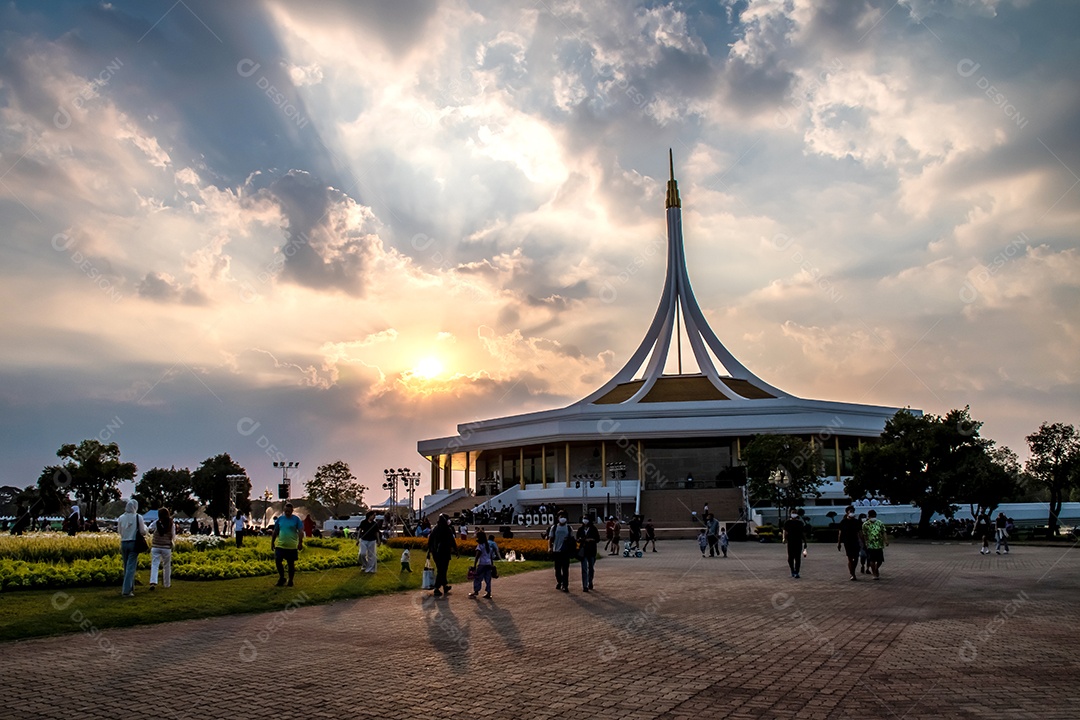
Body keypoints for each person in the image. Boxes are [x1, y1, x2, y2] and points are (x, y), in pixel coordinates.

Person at [117, 498, 147, 597]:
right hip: (134, 542)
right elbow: (142, 531)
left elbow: (119, 531)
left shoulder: (121, 517)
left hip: (124, 542)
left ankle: (130, 587)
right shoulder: (138, 517)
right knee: (131, 567)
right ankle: (126, 591)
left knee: (126, 566)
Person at [271, 502, 304, 587]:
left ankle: (290, 580)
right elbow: (275, 531)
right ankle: (282, 578)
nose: (287, 512)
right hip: (281, 545)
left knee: (291, 564)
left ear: (292, 511)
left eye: (289, 511)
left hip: (291, 546)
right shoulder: (280, 519)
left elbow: (301, 531)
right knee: (278, 561)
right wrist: (272, 542)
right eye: (285, 511)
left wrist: (300, 542)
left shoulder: (296, 519)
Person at [427, 514, 457, 597]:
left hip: (435, 553)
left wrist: (429, 551)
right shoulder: (447, 529)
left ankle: (444, 586)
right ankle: (437, 588)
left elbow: (430, 541)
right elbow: (452, 541)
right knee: (442, 570)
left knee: (441, 569)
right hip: (444, 552)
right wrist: (456, 550)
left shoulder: (435, 529)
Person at [149, 507, 176, 590]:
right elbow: (173, 535)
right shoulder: (171, 524)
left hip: (156, 546)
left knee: (155, 564)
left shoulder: (156, 523)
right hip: (166, 547)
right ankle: (167, 584)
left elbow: (150, 529)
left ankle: (153, 582)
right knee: (167, 566)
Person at [549, 511, 574, 592]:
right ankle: (560, 581)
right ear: (558, 518)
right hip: (557, 551)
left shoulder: (569, 528)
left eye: (564, 517)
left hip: (565, 551)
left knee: (565, 569)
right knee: (557, 570)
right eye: (561, 517)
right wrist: (550, 547)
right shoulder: (554, 527)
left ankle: (565, 585)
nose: (562, 518)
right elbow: (551, 538)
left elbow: (573, 539)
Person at [836, 505, 862, 581]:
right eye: (850, 511)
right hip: (847, 542)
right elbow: (840, 533)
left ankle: (852, 570)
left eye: (853, 511)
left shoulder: (857, 522)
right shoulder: (843, 522)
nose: (852, 513)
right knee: (850, 558)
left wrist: (863, 541)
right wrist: (839, 543)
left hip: (855, 541)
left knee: (856, 558)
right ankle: (852, 573)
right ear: (847, 512)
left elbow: (860, 532)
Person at [861, 509, 887, 579]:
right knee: (872, 560)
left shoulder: (880, 523)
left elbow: (883, 532)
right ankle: (874, 573)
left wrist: (886, 540)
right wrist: (865, 543)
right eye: (871, 516)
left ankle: (876, 568)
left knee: (880, 560)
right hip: (870, 545)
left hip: (879, 544)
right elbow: (864, 534)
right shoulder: (865, 524)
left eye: (874, 516)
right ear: (869, 516)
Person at [469, 529, 496, 598]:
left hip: (482, 564)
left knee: (478, 578)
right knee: (488, 579)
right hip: (488, 564)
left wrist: (474, 565)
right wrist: (492, 565)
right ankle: (488, 592)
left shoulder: (480, 546)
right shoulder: (488, 546)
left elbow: (477, 556)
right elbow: (490, 556)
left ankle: (476, 591)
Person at [576, 515, 600, 591]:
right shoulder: (580, 529)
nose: (585, 520)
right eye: (584, 518)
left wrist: (591, 540)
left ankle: (590, 581)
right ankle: (585, 585)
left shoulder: (593, 529)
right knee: (584, 568)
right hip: (583, 551)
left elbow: (598, 539)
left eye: (586, 518)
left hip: (592, 550)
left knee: (591, 568)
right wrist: (581, 539)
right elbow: (577, 539)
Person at [782, 510, 806, 579]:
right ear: (790, 514)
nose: (794, 514)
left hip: (798, 541)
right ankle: (792, 570)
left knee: (797, 558)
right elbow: (785, 531)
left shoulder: (800, 523)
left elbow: (803, 533)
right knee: (790, 558)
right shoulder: (787, 522)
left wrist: (805, 542)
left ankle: (796, 572)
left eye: (795, 513)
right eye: (793, 513)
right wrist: (784, 538)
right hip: (790, 541)